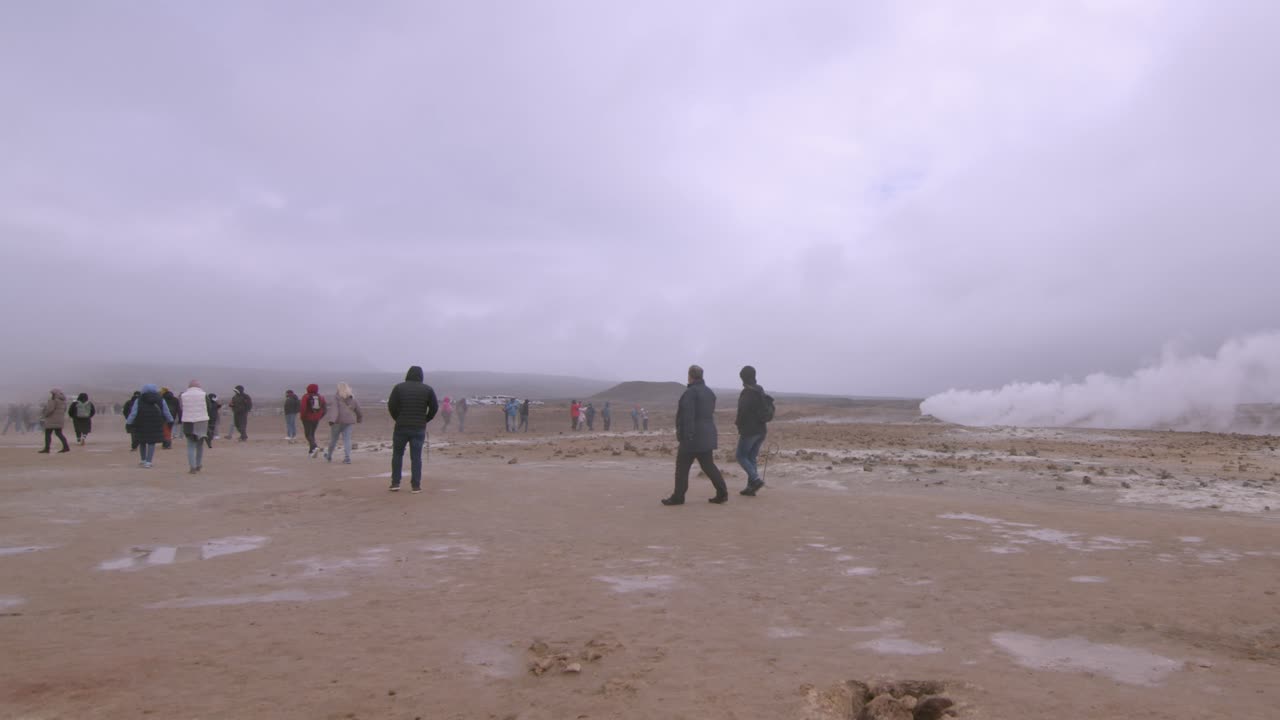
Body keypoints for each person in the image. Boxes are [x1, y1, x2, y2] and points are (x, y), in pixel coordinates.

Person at [662, 365, 727, 505]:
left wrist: (687, 435)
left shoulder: (690, 392)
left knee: (682, 468)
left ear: (690, 376)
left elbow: (687, 416)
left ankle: (678, 497)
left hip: (692, 437)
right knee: (708, 465)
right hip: (707, 435)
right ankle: (722, 493)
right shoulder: (709, 392)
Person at [386, 365, 439, 493]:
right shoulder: (427, 389)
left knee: (397, 455)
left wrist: (398, 418)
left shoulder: (399, 388)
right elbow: (434, 407)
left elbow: (391, 405)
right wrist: (425, 419)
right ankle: (416, 485)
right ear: (421, 376)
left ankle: (395, 483)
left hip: (401, 427)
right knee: (416, 457)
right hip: (418, 427)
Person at [735, 365, 771, 497]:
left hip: (749, 431)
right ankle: (751, 488)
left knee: (741, 456)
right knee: (751, 457)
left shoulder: (747, 393)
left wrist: (738, 425)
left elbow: (742, 412)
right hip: (761, 430)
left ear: (743, 378)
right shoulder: (760, 390)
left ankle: (755, 480)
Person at [126, 384, 172, 468]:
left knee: (142, 441)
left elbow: (134, 413)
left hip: (141, 423)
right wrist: (170, 420)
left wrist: (129, 422)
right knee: (151, 442)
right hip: (156, 423)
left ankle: (143, 460)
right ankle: (149, 461)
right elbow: (166, 411)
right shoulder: (160, 399)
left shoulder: (139, 400)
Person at [324, 382, 363, 464]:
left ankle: (329, 456)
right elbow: (358, 410)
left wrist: (332, 420)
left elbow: (334, 410)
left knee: (333, 440)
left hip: (337, 422)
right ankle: (347, 458)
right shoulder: (352, 398)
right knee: (347, 440)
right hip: (349, 421)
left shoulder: (336, 398)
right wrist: (359, 419)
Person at [178, 380, 210, 474]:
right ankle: (199, 464)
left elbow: (181, 408)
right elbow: (209, 407)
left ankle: (192, 466)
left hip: (188, 422)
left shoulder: (183, 395)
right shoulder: (204, 395)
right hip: (202, 421)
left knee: (191, 445)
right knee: (200, 444)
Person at [38, 388, 71, 454]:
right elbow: (64, 410)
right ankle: (66, 447)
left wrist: (44, 415)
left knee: (48, 434)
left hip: (51, 420)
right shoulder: (63, 401)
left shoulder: (53, 400)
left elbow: (49, 410)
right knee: (59, 434)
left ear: (54, 394)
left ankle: (47, 448)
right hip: (60, 420)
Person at [299, 383, 327, 457]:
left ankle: (315, 447)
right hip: (316, 418)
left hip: (307, 418)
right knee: (312, 434)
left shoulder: (306, 397)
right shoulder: (321, 397)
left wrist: (302, 417)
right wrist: (319, 416)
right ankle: (311, 452)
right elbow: (325, 410)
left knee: (308, 434)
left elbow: (303, 408)